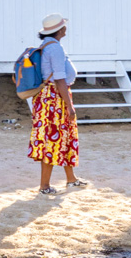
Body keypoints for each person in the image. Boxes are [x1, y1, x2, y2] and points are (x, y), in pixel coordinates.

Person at [28, 13, 88, 195]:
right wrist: (69, 106)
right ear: (60, 30)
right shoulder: (55, 49)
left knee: (64, 136)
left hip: (48, 97)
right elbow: (60, 80)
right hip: (55, 98)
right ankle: (44, 186)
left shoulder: (46, 46)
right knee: (52, 139)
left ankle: (71, 179)